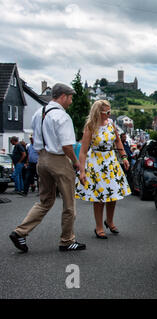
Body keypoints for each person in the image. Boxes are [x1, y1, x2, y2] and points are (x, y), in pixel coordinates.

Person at [9, 83, 86, 253]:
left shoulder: (39, 113)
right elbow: (67, 146)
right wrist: (75, 162)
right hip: (58, 159)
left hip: (41, 159)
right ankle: (67, 240)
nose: (71, 101)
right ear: (63, 96)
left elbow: (35, 138)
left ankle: (20, 231)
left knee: (45, 200)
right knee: (69, 202)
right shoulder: (62, 116)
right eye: (70, 97)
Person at [75, 100, 131, 239]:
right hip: (96, 163)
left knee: (113, 195)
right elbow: (83, 151)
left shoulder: (111, 124)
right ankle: (99, 226)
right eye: (107, 112)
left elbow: (118, 141)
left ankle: (110, 221)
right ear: (98, 112)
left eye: (110, 111)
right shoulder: (90, 126)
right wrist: (82, 171)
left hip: (111, 161)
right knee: (99, 197)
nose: (110, 114)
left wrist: (123, 156)